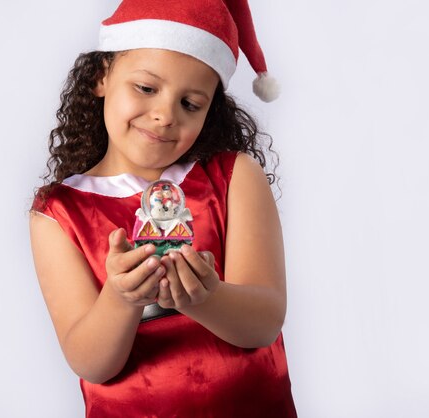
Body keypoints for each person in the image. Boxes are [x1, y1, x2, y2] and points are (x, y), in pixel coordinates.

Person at [29, 0, 297, 416]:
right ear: (102, 76)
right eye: (146, 88)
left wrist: (203, 298)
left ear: (210, 111)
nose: (164, 115)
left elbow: (264, 323)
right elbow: (90, 363)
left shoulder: (233, 177)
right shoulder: (59, 212)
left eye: (190, 104)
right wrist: (121, 299)